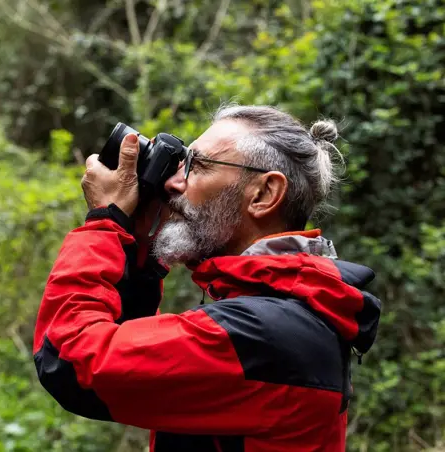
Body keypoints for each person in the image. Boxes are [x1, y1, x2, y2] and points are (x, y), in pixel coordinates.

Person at [33, 104, 382, 451]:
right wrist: (138, 247)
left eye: (196, 166)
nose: (174, 182)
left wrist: (105, 223)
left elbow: (69, 361)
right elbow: (124, 371)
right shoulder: (288, 311)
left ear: (263, 194)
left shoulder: (259, 333)